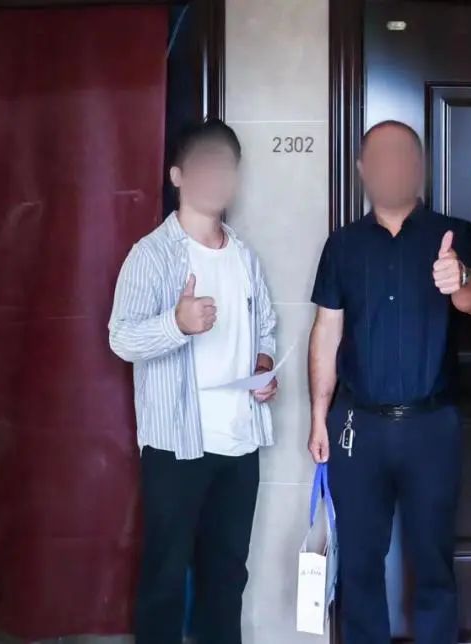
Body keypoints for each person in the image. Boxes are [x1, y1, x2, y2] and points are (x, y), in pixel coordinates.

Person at [307, 120, 471, 644]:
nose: (391, 166)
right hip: (356, 427)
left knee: (432, 561)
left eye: (402, 155)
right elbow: (326, 330)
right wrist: (318, 417)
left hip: (432, 425)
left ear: (419, 166)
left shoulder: (453, 234)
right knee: (360, 562)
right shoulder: (342, 245)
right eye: (380, 157)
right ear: (363, 169)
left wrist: (461, 278)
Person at [108, 118, 278, 644]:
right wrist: (176, 324)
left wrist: (265, 367)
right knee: (164, 578)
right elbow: (121, 337)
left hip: (239, 443)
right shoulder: (152, 255)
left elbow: (265, 329)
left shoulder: (244, 256)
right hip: (176, 445)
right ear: (177, 175)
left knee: (226, 577)